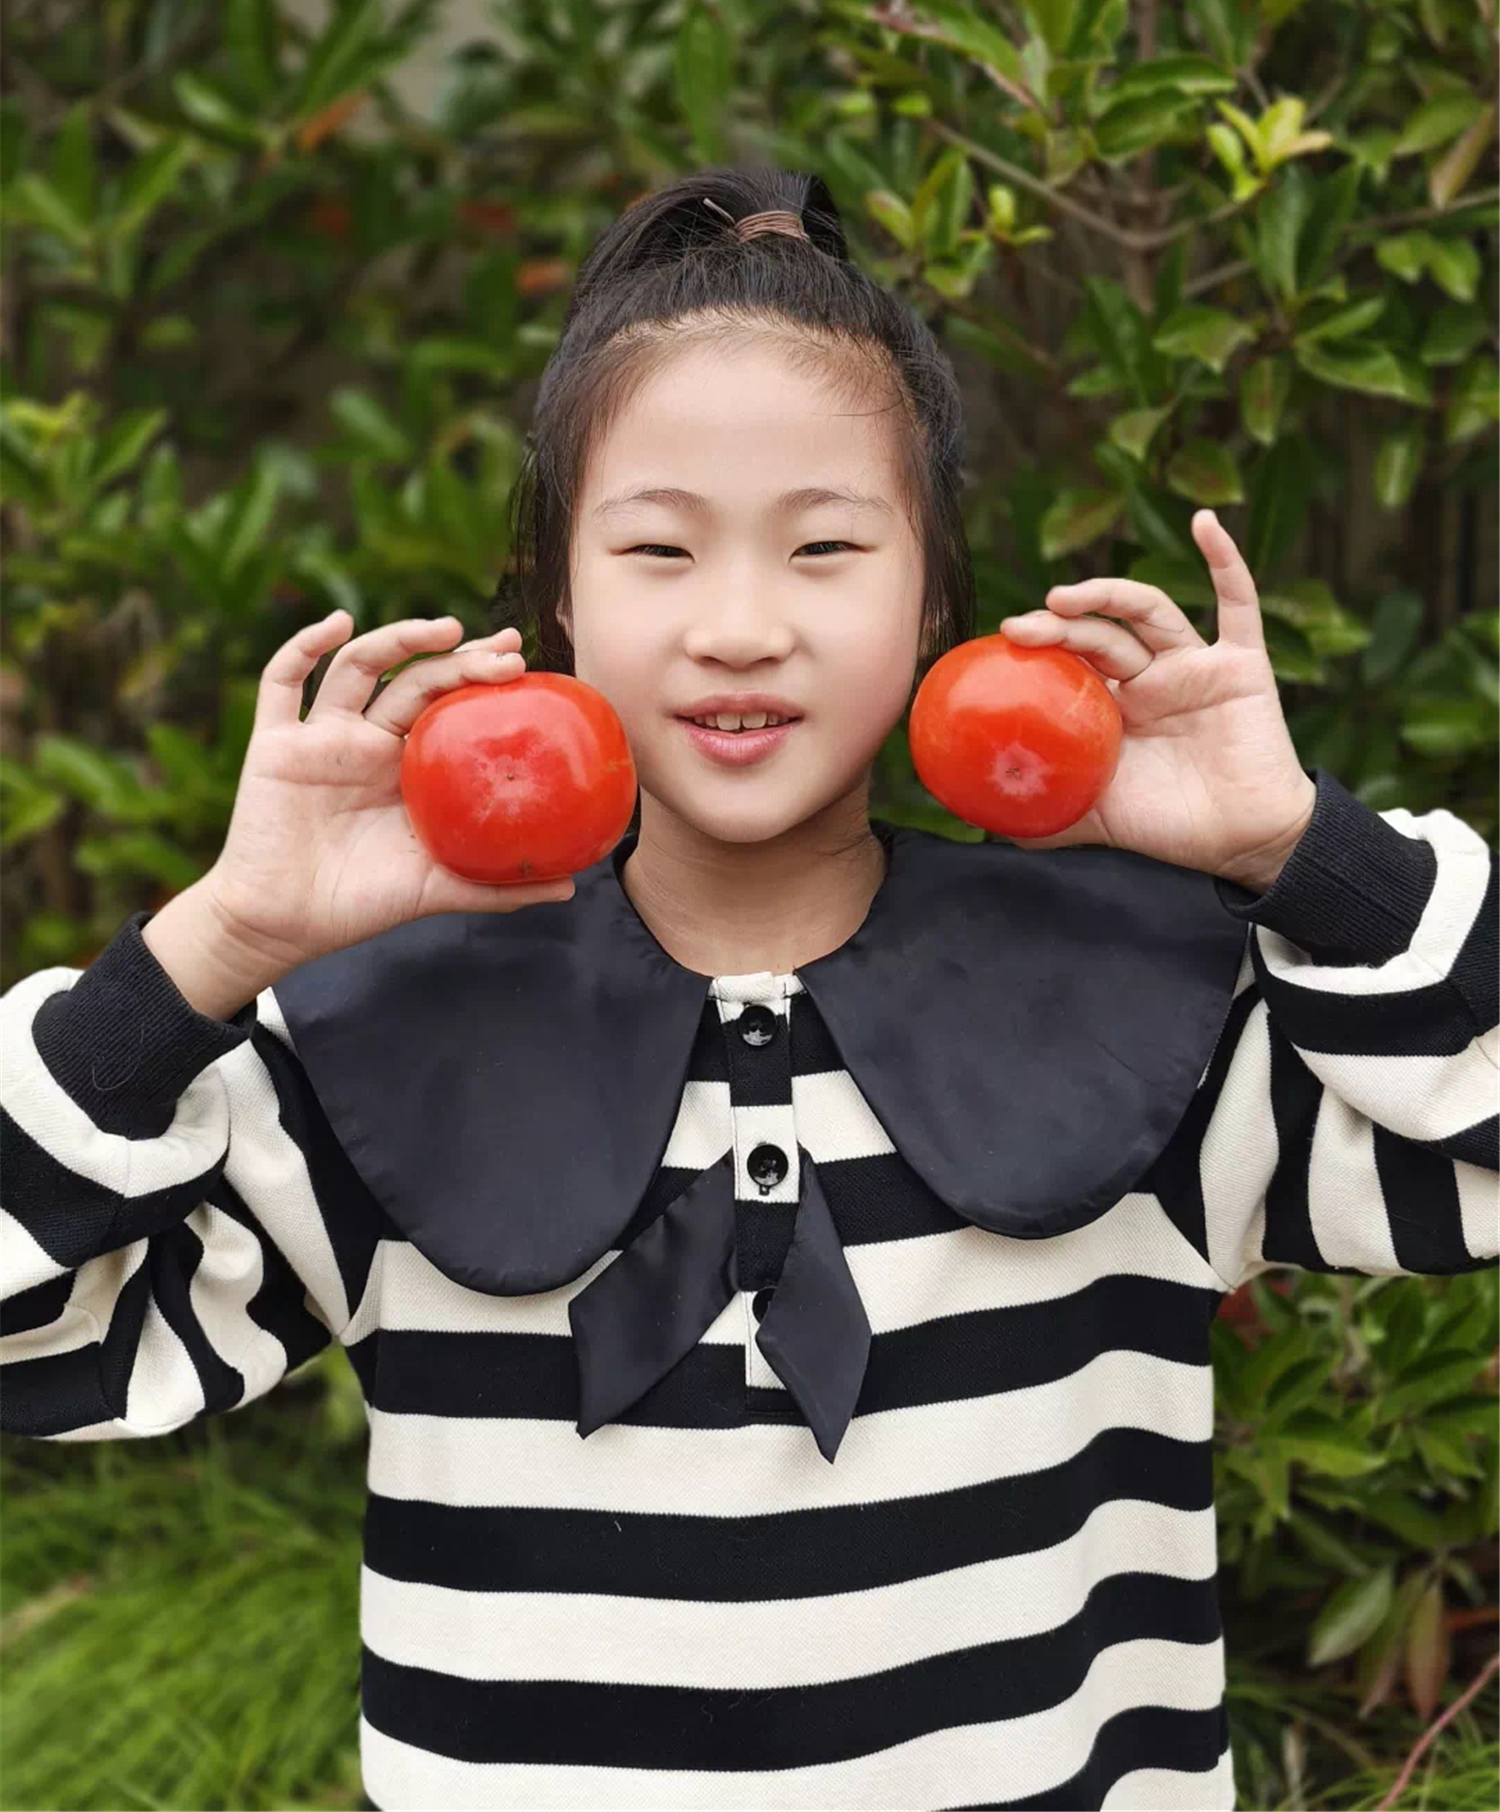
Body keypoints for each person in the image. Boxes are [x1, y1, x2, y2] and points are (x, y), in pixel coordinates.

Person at [2, 165, 1495, 1812]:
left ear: (933, 593)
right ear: (559, 595)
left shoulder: (1142, 1017)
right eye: (658, 548)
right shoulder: (387, 1042)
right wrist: (220, 943)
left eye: (825, 547)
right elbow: (30, 1343)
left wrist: (1303, 849)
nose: (738, 626)